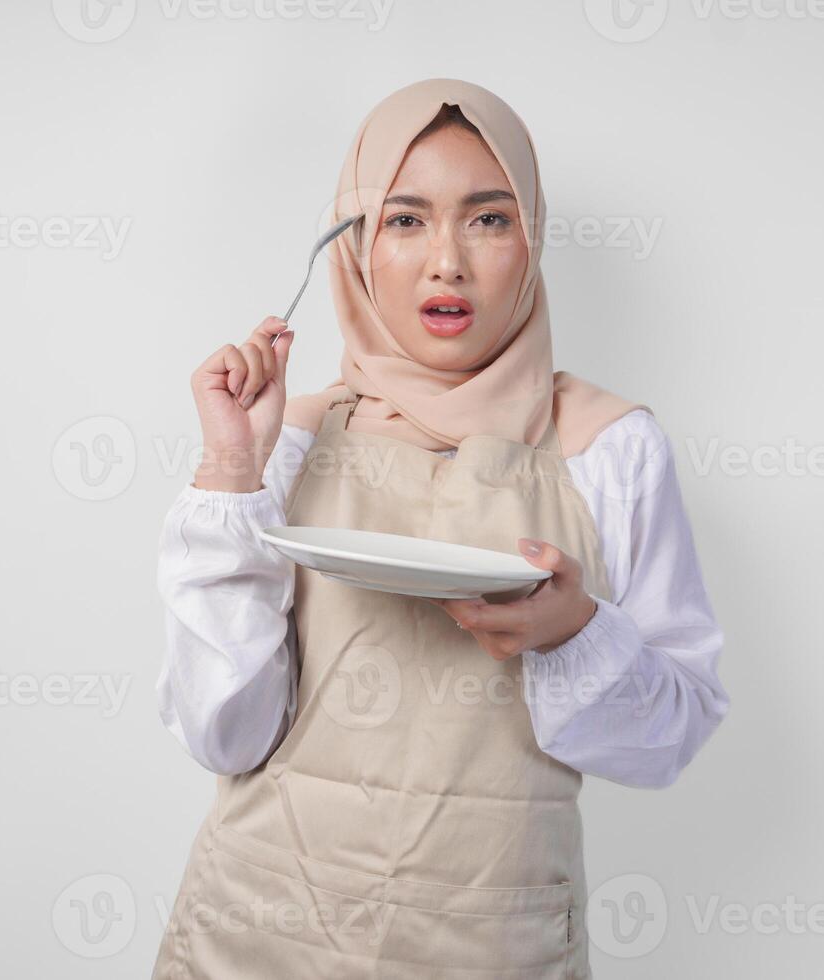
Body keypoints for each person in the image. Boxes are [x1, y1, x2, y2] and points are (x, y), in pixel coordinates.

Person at [151, 77, 729, 979]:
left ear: (531, 239)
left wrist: (577, 633)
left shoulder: (612, 449)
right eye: (406, 219)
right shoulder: (285, 437)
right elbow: (222, 736)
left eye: (489, 219)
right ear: (355, 246)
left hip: (494, 950)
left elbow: (669, 743)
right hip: (256, 940)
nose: (447, 262)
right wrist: (233, 470)